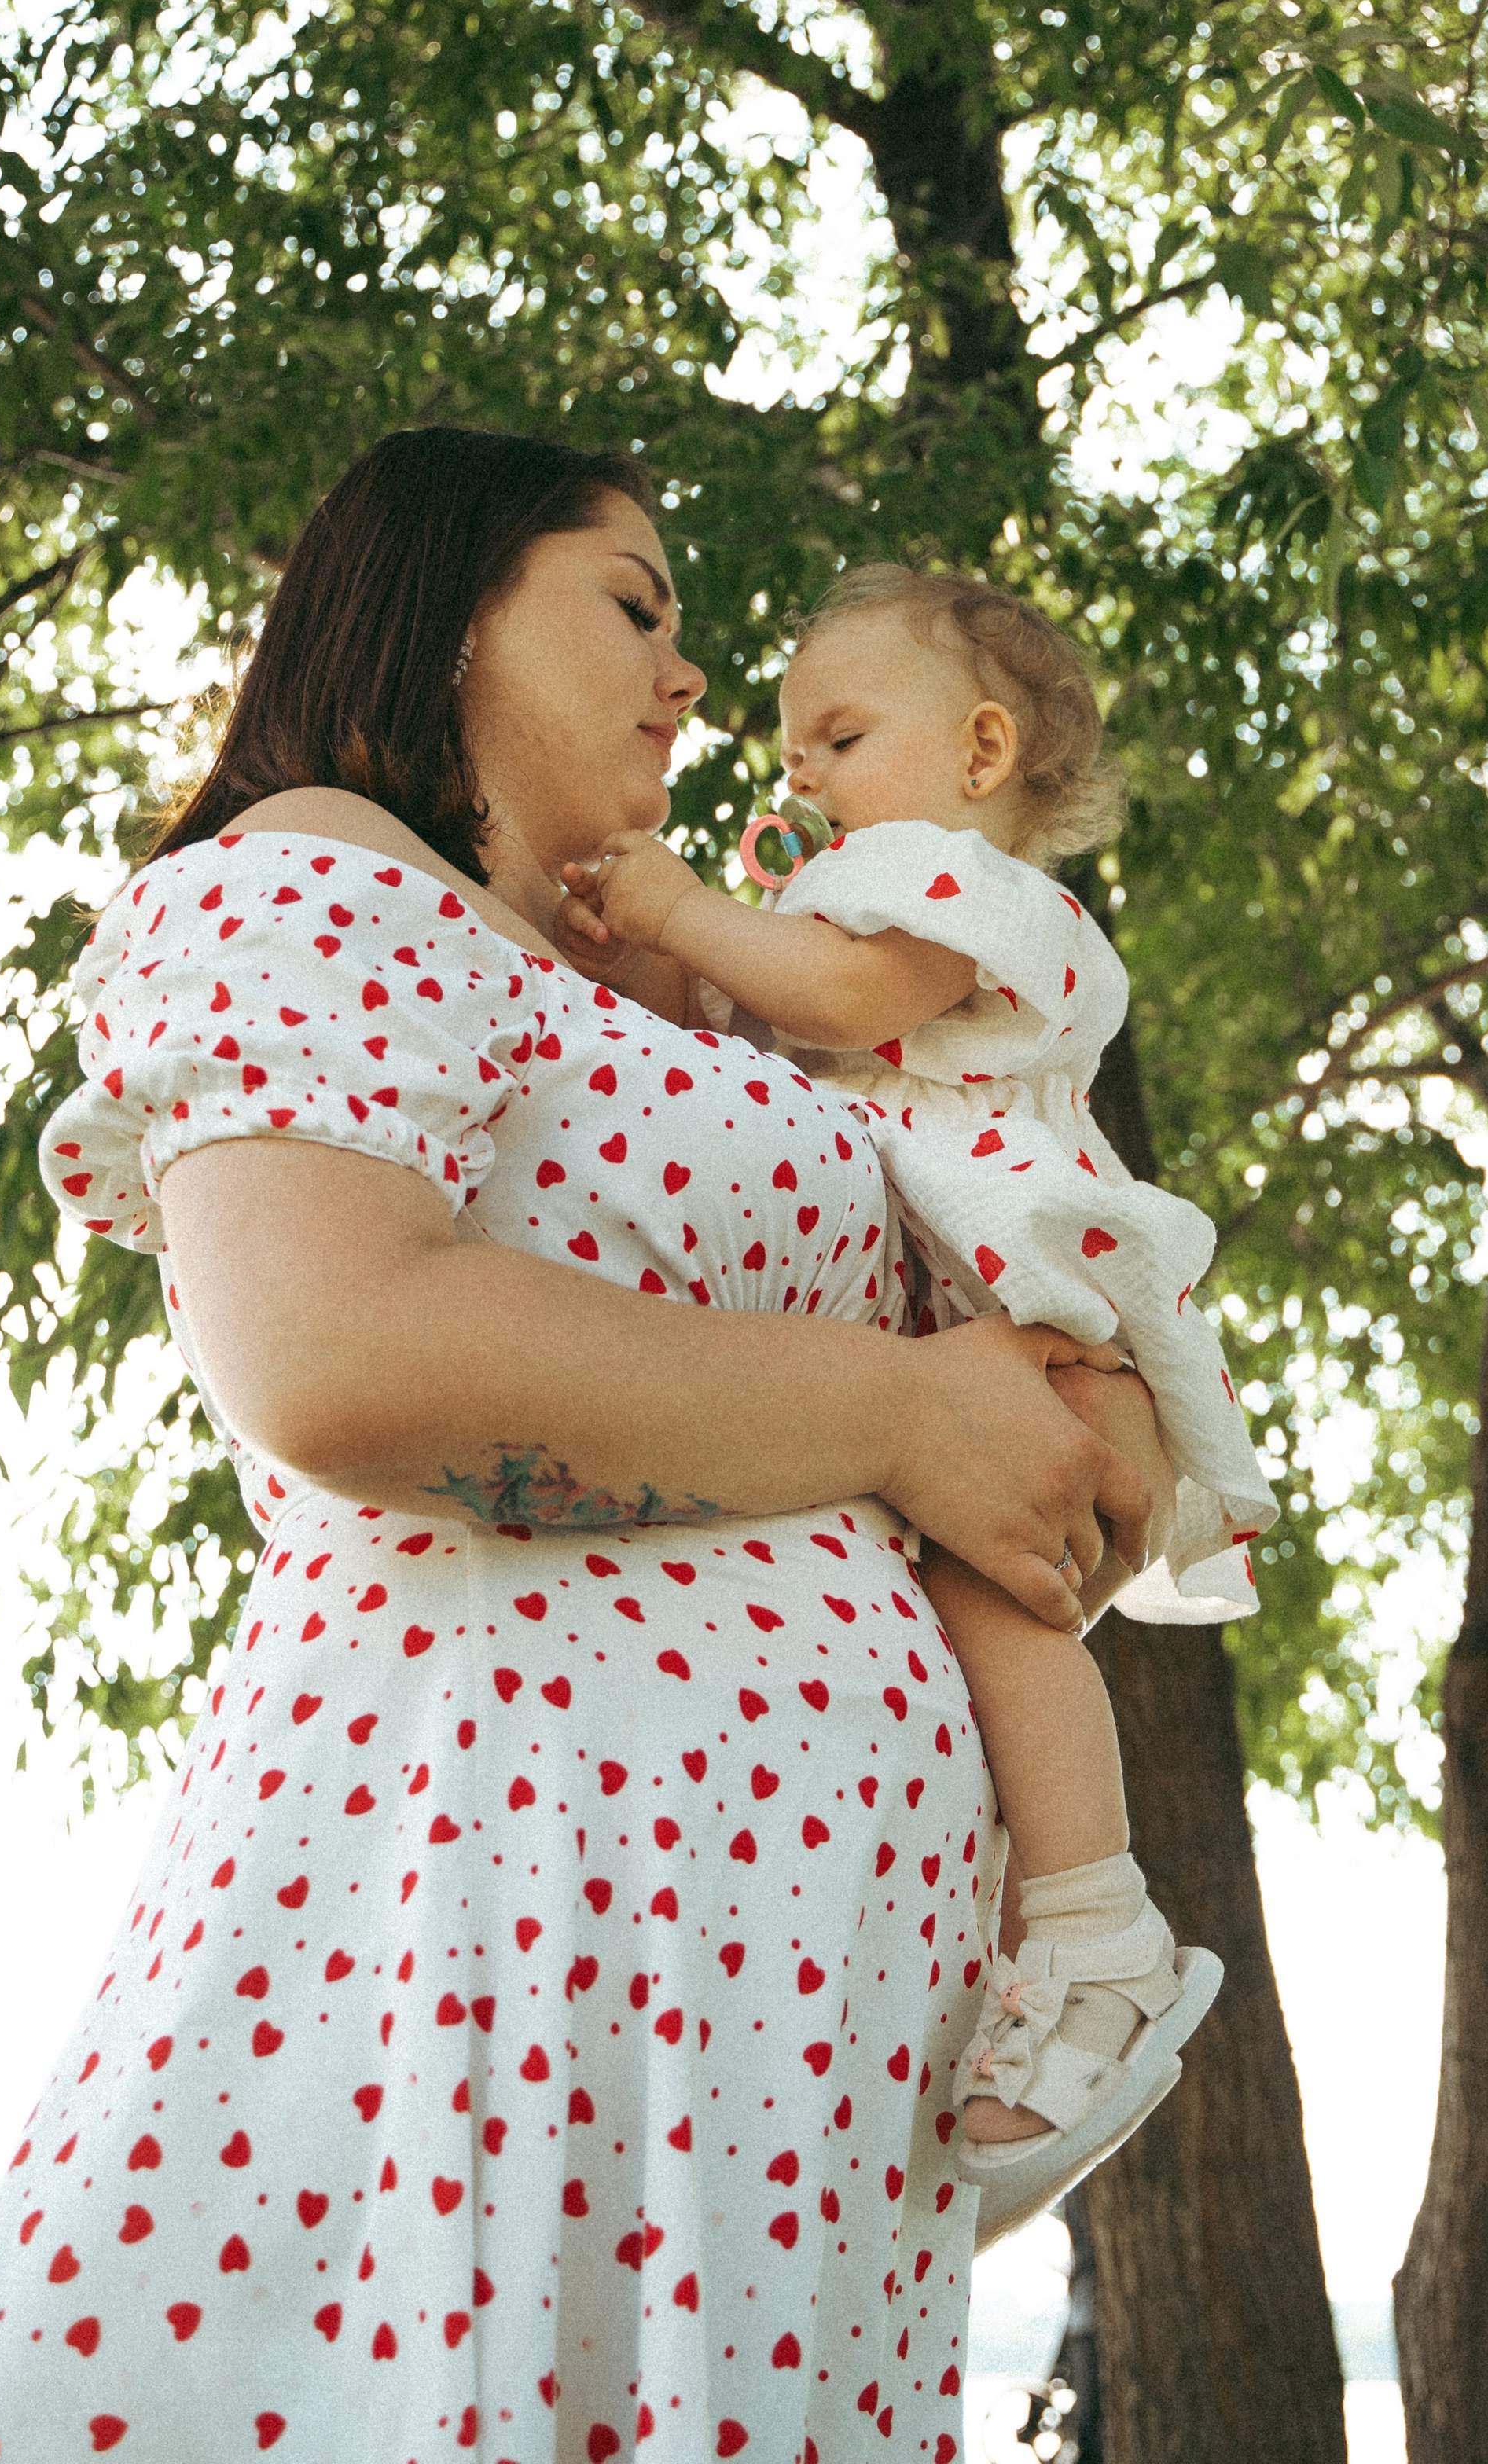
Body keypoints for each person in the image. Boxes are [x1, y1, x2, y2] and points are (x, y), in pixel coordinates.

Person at [0, 428, 1167, 2464]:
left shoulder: (689, 1011)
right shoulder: (320, 872)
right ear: (445, 606)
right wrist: (904, 1411)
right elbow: (341, 1348)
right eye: (632, 605)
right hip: (517, 1905)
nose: (690, 678)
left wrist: (1082, 1393)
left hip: (795, 2005)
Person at [557, 564, 1277, 2240]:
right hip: (1002, 1333)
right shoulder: (871, 885)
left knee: (993, 1611)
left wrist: (673, 909)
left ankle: (1096, 1929)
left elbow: (842, 1003)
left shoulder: (949, 887)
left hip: (1051, 1331)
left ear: (979, 751)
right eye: (795, 751)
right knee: (968, 1643)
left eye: (840, 736)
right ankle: (1032, 1957)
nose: (803, 774)